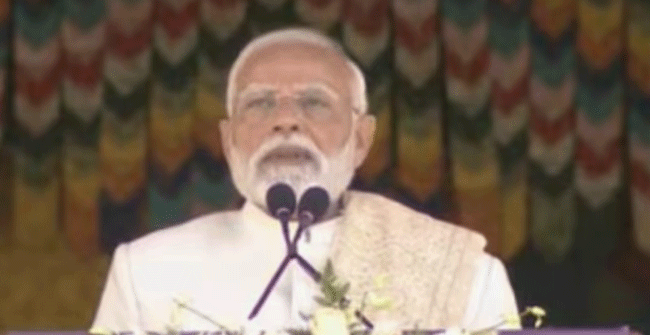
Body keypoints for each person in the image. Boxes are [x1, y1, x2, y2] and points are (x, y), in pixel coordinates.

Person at [90, 28, 520, 334]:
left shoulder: (463, 272)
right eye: (260, 103)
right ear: (227, 139)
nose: (285, 121)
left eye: (314, 102)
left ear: (361, 139)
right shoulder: (147, 270)